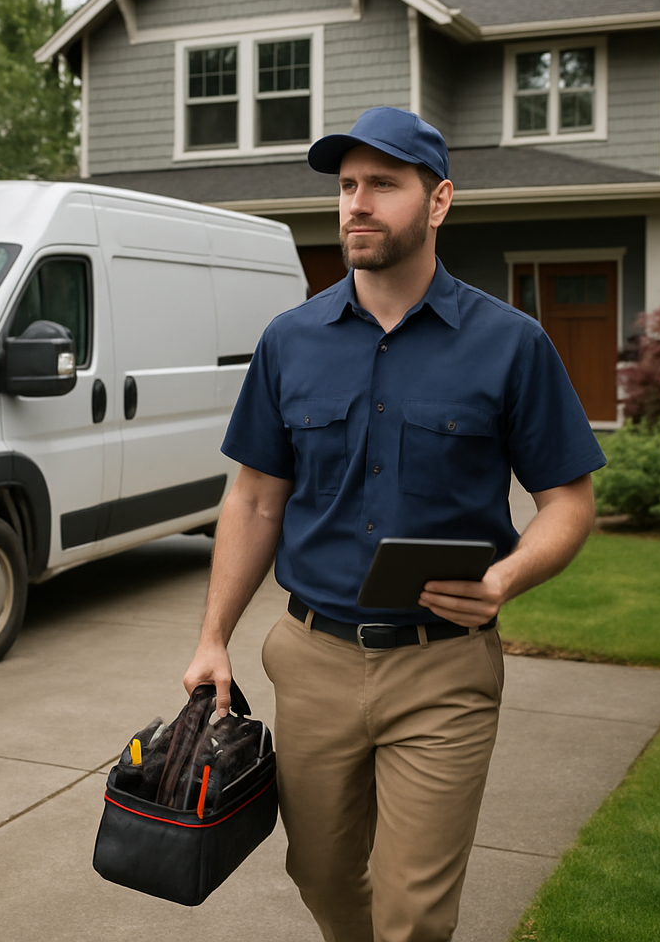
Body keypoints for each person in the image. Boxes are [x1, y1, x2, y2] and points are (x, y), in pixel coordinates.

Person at [182, 106, 607, 942]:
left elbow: (569, 503)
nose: (357, 205)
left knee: (413, 914)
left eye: (383, 184)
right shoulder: (290, 340)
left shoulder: (511, 346)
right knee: (322, 875)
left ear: (439, 201)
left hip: (442, 671)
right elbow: (256, 498)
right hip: (312, 662)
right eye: (346, 186)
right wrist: (212, 637)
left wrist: (503, 580)